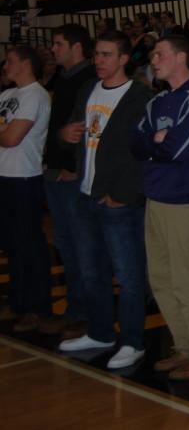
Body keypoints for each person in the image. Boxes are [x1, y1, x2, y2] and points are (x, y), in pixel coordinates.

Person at [131, 35, 189, 381]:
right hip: (156, 194)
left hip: (184, 197)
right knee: (161, 277)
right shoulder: (158, 101)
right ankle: (186, 347)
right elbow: (136, 141)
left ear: (181, 57)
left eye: (160, 54)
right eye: (153, 54)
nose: (154, 59)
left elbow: (178, 147)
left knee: (187, 278)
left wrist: (157, 143)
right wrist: (155, 143)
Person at [58, 31, 151, 370]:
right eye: (97, 54)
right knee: (90, 270)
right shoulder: (88, 90)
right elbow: (75, 132)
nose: (99, 61)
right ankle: (100, 332)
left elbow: (141, 153)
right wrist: (65, 135)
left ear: (124, 59)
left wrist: (124, 194)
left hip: (118, 201)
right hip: (85, 194)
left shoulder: (140, 96)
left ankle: (132, 340)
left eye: (107, 55)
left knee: (128, 275)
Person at [41, 24, 96, 338]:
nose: (53, 49)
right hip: (57, 171)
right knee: (67, 244)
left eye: (59, 44)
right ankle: (77, 307)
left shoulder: (87, 81)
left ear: (76, 47)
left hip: (72, 174)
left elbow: (84, 129)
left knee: (82, 246)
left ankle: (86, 312)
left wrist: (75, 167)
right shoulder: (63, 79)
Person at [0, 45, 52, 334]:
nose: (5, 66)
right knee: (12, 245)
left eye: (9, 61)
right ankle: (18, 302)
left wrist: (5, 132)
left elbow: (12, 138)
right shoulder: (7, 95)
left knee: (28, 244)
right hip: (4, 176)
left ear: (25, 64)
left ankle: (37, 306)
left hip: (23, 178)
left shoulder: (36, 95)